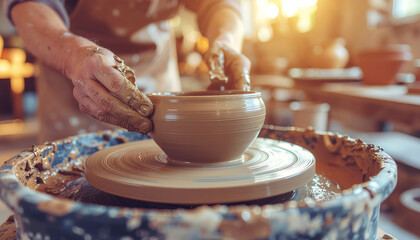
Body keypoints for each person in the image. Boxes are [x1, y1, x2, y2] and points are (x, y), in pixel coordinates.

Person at [4, 0, 251, 143]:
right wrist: (72, 55)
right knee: (74, 185)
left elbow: (219, 4)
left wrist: (226, 40)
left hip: (158, 75)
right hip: (74, 73)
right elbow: (30, 5)